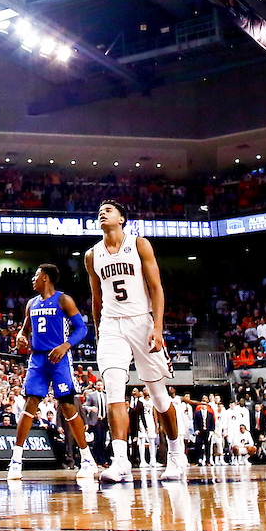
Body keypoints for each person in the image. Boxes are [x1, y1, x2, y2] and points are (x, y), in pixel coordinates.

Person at [85, 201, 186, 482]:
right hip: (111, 325)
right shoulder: (91, 255)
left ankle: (177, 455)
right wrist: (98, 331)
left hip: (142, 321)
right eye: (100, 210)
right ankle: (120, 463)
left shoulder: (139, 244)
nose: (102, 212)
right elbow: (96, 298)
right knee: (114, 391)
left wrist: (158, 327)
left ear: (122, 218)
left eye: (109, 210)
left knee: (158, 395)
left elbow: (156, 288)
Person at [8, 263, 97, 480]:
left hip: (59, 358)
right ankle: (16, 460)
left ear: (46, 278)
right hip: (38, 359)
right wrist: (21, 336)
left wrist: (65, 345)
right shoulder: (31, 303)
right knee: (30, 404)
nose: (33, 279)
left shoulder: (63, 300)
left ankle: (87, 458)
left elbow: (82, 328)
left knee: (67, 406)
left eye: (36, 276)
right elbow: (25, 329)